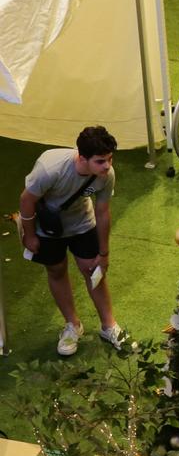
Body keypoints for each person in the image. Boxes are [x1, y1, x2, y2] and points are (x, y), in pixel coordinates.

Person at [18, 126, 124, 356]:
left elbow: (103, 211)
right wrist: (30, 234)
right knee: (56, 270)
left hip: (82, 223)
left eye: (110, 159)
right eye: (100, 161)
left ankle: (109, 326)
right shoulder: (50, 168)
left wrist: (104, 254)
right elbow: (26, 201)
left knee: (93, 271)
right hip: (47, 228)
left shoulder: (107, 175)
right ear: (82, 157)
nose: (107, 166)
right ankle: (72, 325)